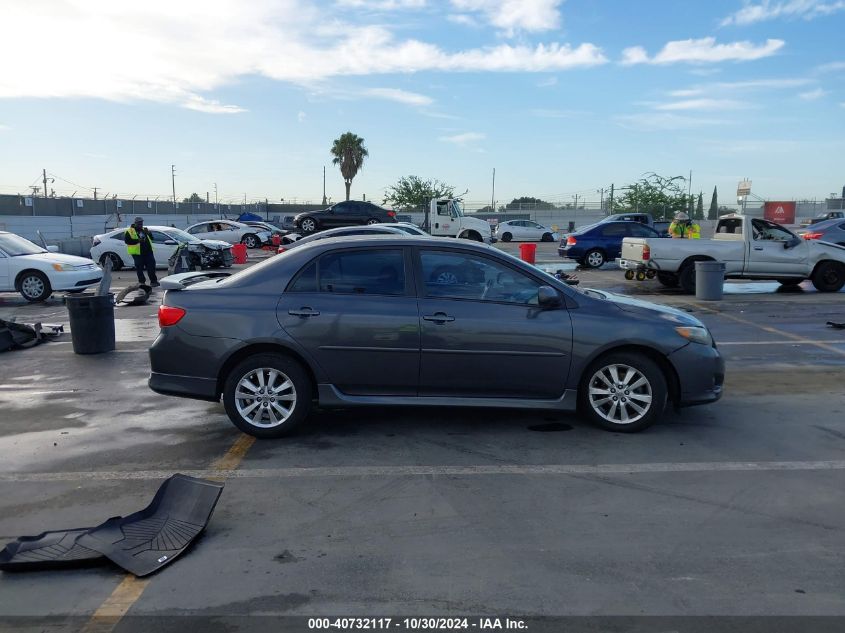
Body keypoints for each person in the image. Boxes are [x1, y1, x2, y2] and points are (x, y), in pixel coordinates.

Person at [124, 216, 159, 286]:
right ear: (135, 223)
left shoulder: (144, 230)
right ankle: (141, 282)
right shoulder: (130, 231)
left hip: (148, 252)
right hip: (137, 253)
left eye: (141, 223)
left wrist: (149, 233)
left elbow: (151, 238)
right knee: (139, 268)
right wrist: (138, 241)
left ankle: (153, 281)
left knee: (151, 267)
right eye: (139, 223)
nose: (141, 225)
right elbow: (127, 241)